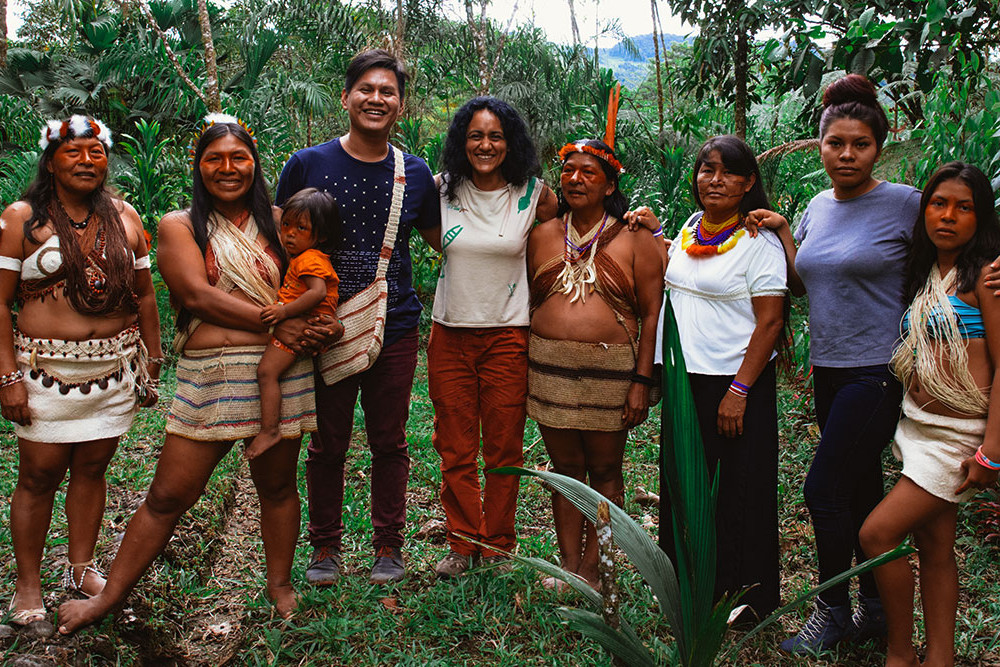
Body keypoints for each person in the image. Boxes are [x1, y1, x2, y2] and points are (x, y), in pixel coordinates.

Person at [57, 115, 342, 633]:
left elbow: (317, 279)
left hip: (277, 373)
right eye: (215, 158)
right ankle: (108, 599)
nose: (228, 169)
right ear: (199, 165)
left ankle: (280, 588)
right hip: (211, 375)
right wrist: (280, 323)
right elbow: (194, 296)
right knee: (167, 496)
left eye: (239, 158)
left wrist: (315, 325)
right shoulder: (180, 224)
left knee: (277, 488)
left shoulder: (284, 223)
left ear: (256, 164)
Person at [754, 74, 922, 652]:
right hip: (829, 369)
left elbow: (956, 250)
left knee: (823, 489)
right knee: (858, 486)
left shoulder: (905, 204)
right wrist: (781, 230)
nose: (847, 155)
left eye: (860, 145)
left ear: (879, 147)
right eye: (835, 144)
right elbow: (804, 286)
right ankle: (875, 606)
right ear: (820, 145)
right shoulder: (819, 206)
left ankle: (832, 612)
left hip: (878, 371)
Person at [275, 49, 441, 585]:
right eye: (366, 90)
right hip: (320, 328)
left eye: (387, 92)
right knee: (327, 441)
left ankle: (388, 547)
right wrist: (292, 317)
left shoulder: (413, 173)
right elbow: (281, 243)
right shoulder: (305, 163)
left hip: (391, 326)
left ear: (400, 104)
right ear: (346, 97)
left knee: (389, 441)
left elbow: (446, 240)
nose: (376, 99)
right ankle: (325, 550)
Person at [0, 115, 161, 626]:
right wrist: (7, 377)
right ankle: (28, 586)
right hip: (42, 370)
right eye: (74, 152)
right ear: (51, 161)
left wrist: (152, 362)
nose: (87, 160)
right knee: (38, 475)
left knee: (93, 469)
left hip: (112, 369)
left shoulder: (124, 216)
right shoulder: (20, 219)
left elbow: (146, 293)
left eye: (96, 152)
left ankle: (79, 567)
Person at [859, 163, 1000, 667]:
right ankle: (940, 656)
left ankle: (900, 653)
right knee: (935, 547)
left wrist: (992, 452)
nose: (948, 216)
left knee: (877, 534)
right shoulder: (927, 271)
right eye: (939, 204)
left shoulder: (987, 274)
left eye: (965, 208)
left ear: (981, 218)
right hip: (916, 425)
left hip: (958, 436)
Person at [642, 135, 787, 620]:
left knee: (738, 492)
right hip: (688, 384)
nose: (715, 179)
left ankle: (744, 599)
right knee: (686, 484)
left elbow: (770, 322)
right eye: (707, 169)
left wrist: (740, 391)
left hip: (735, 384)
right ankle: (688, 586)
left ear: (748, 183)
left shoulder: (758, 242)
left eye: (727, 171)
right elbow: (681, 276)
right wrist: (654, 232)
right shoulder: (688, 228)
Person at [429, 96, 558, 579]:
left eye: (496, 136)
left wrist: (641, 226)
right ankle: (462, 545)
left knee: (504, 448)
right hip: (450, 334)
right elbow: (427, 237)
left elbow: (578, 231)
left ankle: (499, 545)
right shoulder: (440, 190)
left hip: (507, 335)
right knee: (455, 447)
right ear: (463, 143)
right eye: (476, 136)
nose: (486, 145)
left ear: (511, 143)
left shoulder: (534, 193)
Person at [526, 138, 663, 587]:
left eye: (588, 172)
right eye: (568, 171)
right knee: (565, 471)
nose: (575, 179)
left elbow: (649, 313)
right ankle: (569, 567)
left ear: (609, 185)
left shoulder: (634, 236)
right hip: (550, 371)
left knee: (605, 470)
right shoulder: (544, 233)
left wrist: (642, 379)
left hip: (611, 375)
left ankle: (597, 568)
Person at [247, 187, 341, 461]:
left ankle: (269, 429)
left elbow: (317, 293)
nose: (290, 233)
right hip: (304, 322)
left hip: (303, 324)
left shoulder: (310, 259)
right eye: (286, 224)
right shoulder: (303, 257)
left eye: (301, 228)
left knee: (267, 373)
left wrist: (283, 312)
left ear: (320, 236)